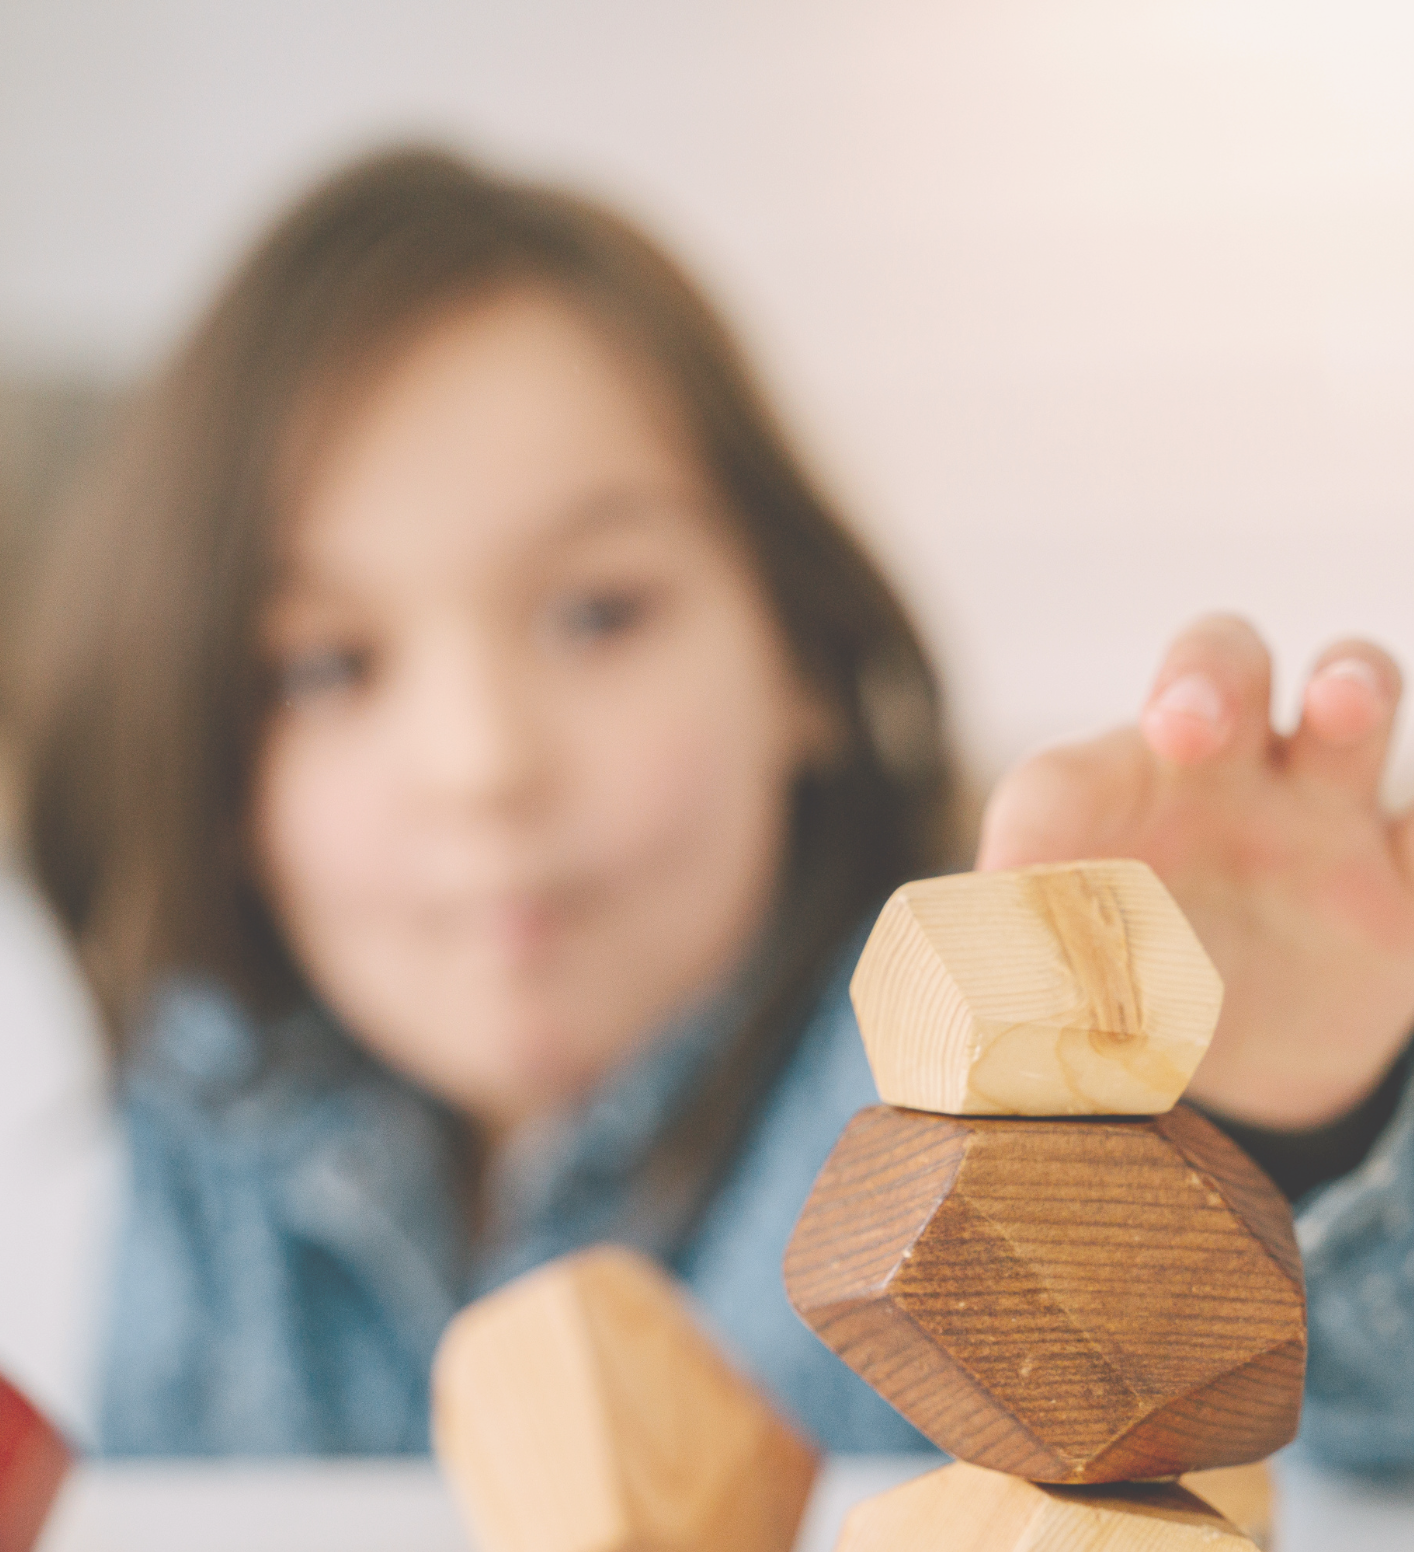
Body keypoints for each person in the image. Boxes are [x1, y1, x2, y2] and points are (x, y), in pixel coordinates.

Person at [11, 146, 1414, 1469]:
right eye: (326, 666)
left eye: (597, 615)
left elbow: (1324, 1436)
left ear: (799, 654)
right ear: (212, 773)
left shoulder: (947, 1072)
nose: (480, 761)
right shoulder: (203, 1105)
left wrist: (1301, 1128)